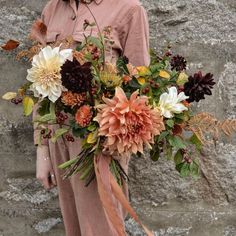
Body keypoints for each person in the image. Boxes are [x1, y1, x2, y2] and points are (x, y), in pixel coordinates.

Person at [35, 0, 150, 235]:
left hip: (99, 147)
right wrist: (42, 150)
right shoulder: (52, 9)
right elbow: (40, 87)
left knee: (100, 229)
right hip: (60, 140)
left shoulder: (129, 9)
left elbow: (141, 87)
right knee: (75, 229)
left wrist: (114, 143)